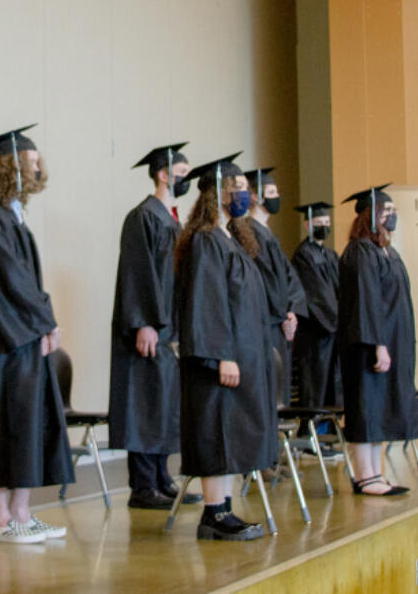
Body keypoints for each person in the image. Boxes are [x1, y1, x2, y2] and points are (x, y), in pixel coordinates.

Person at [0, 124, 73, 544]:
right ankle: (1, 519)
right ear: (10, 166)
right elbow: (12, 277)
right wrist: (45, 321)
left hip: (23, 336)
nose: (40, 168)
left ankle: (20, 514)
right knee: (10, 424)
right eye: (32, 162)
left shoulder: (7, 215)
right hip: (7, 342)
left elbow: (22, 278)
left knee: (27, 423)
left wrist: (40, 323)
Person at [174, 153, 270, 541]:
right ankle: (213, 513)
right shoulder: (206, 240)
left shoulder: (229, 237)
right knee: (218, 431)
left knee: (232, 432)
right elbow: (207, 301)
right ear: (220, 193)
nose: (246, 196)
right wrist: (222, 355)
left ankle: (225, 508)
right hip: (218, 360)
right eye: (240, 189)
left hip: (239, 355)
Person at [108, 143, 202, 509]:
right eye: (182, 173)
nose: (186, 179)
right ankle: (143, 486)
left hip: (168, 330)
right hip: (147, 327)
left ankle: (163, 479)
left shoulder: (171, 218)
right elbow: (137, 272)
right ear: (163, 174)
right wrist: (144, 322)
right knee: (144, 403)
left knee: (163, 403)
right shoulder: (143, 217)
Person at [337, 185, 418, 496]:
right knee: (366, 407)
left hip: (387, 342)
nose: (391, 216)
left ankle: (376, 474)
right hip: (366, 346)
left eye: (393, 211)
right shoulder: (359, 251)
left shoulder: (388, 252)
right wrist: (378, 344)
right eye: (386, 211)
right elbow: (366, 300)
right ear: (369, 217)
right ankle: (363, 476)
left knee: (381, 407)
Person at [242, 167, 306, 406]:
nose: (276, 196)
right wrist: (281, 315)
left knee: (281, 393)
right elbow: (263, 280)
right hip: (266, 325)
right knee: (269, 392)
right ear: (256, 197)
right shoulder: (248, 233)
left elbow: (290, 278)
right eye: (271, 191)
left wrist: (291, 311)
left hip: (280, 324)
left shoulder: (269, 234)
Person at [289, 201, 344, 460]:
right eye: (319, 223)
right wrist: (334, 320)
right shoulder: (304, 255)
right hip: (315, 333)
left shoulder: (331, 255)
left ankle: (325, 436)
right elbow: (316, 295)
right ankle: (309, 437)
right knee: (315, 386)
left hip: (331, 332)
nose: (323, 227)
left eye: (326, 223)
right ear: (307, 224)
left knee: (331, 385)